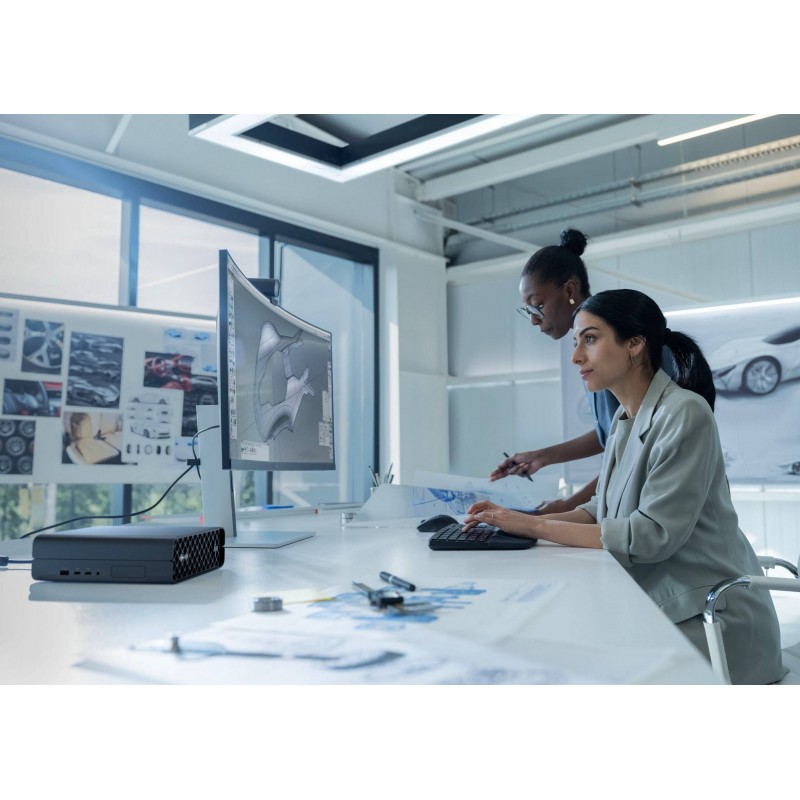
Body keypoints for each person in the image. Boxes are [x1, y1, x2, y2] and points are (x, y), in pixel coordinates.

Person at [466, 289, 785, 684]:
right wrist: (515, 519)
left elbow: (649, 536)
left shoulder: (685, 412)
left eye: (590, 339)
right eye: (576, 341)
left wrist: (533, 526)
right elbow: (600, 509)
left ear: (634, 344)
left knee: (569, 662)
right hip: (665, 604)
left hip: (712, 619)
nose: (575, 356)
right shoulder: (624, 419)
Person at [490, 228, 674, 514]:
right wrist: (542, 457)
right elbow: (612, 433)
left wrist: (565, 508)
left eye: (538, 306)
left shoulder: (615, 350)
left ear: (569, 291)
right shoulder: (597, 354)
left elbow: (636, 454)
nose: (534, 321)